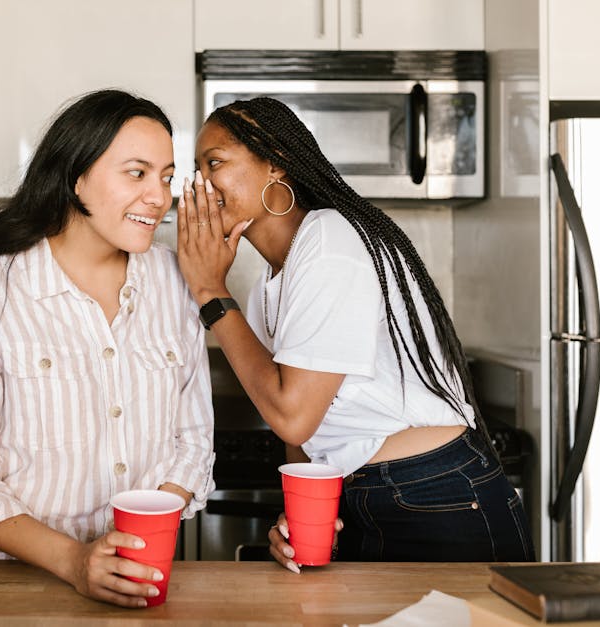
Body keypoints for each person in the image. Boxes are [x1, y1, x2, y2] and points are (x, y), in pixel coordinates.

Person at [176, 97, 534, 571]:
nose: (199, 183)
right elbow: (303, 435)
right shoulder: (273, 281)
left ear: (276, 165)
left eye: (214, 163)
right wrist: (301, 513)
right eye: (195, 168)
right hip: (367, 497)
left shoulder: (329, 238)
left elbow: (293, 416)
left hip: (437, 500)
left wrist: (209, 292)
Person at [0, 89, 215, 607]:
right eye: (137, 172)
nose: (159, 196)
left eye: (167, 177)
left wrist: (135, 544)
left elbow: (192, 444)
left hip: (136, 585)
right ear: (76, 176)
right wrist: (75, 562)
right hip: (6, 595)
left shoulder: (176, 283)